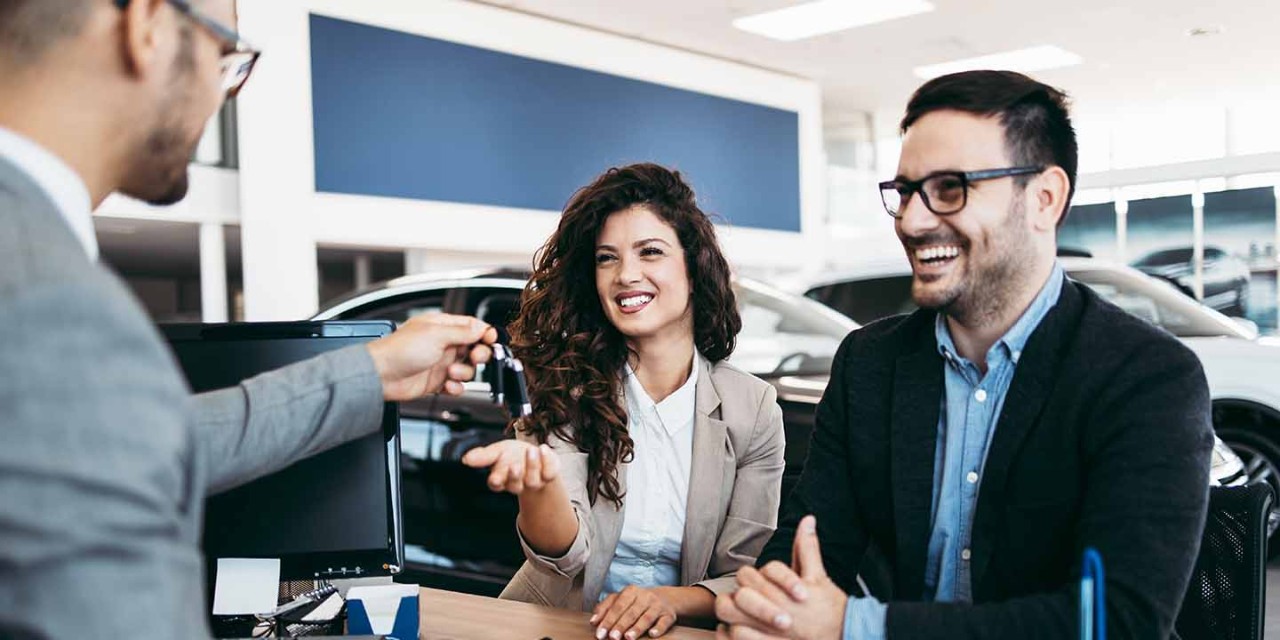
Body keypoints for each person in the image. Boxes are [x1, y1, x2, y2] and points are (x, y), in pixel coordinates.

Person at [0, 1, 496, 638]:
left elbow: (165, 444)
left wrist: (371, 373)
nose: (223, 95)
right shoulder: (56, 306)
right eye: (227, 57)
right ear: (146, 25)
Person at [714, 71, 1213, 640]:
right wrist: (770, 610)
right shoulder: (871, 363)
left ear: (1044, 199)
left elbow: (1116, 619)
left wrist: (855, 624)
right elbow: (808, 543)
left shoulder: (1146, 376)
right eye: (904, 191)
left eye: (950, 188)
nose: (912, 219)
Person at [462, 163, 786, 640]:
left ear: (694, 268)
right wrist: (540, 482)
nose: (625, 275)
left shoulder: (753, 408)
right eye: (606, 258)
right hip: (557, 624)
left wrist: (667, 602)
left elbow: (746, 574)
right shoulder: (564, 385)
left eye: (650, 252)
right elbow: (562, 556)